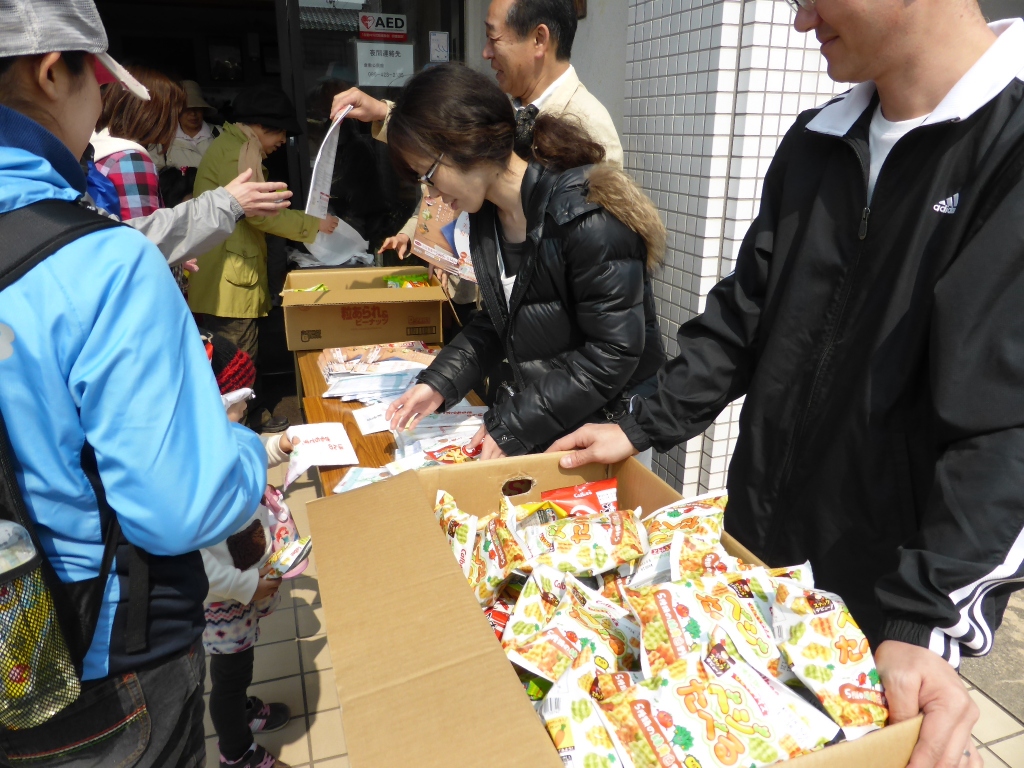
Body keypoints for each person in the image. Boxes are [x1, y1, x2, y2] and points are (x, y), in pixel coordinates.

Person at [549, 6, 1024, 767]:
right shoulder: (818, 140)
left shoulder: (1009, 150)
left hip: (885, 604)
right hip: (758, 549)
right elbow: (746, 315)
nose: (800, 20)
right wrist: (641, 422)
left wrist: (926, 621)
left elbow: (1006, 428)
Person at [0, 1, 266, 764]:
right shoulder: (103, 262)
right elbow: (180, 507)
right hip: (103, 651)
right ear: (53, 72)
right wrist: (245, 450)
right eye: (96, 83)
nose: (100, 110)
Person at [383, 63, 665, 460]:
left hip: (608, 433)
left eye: (428, 174)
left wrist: (514, 423)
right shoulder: (486, 215)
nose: (430, 194)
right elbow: (503, 320)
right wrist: (439, 382)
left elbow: (613, 353)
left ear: (467, 143)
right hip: (554, 423)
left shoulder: (585, 215)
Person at [332, 0, 621, 320]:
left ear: (539, 39)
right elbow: (446, 149)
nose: (485, 53)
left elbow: (601, 292)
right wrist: (385, 113)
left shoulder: (588, 128)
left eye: (493, 38)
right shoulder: (511, 109)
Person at [188, 85, 340, 433]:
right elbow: (259, 213)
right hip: (228, 279)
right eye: (280, 132)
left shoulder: (235, 147)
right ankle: (242, 432)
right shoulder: (239, 152)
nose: (282, 141)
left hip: (228, 272)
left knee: (237, 356)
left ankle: (250, 419)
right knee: (237, 360)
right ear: (261, 126)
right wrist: (312, 224)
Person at [200, 331, 294, 768]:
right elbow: (199, 565)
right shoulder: (198, 469)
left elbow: (253, 453)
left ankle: (241, 709)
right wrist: (247, 586)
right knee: (228, 678)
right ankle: (236, 752)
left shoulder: (225, 439)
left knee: (240, 666)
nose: (246, 409)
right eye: (241, 401)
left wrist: (281, 446)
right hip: (225, 598)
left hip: (244, 585)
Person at [154, 79, 219, 170]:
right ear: (177, 112)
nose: (193, 114)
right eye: (187, 109)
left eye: (197, 108)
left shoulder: (220, 133)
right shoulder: (162, 139)